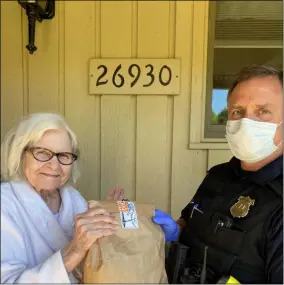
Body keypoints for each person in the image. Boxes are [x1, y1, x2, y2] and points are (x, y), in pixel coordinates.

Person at [153, 64, 283, 284]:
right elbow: (187, 221)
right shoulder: (218, 175)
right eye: (237, 112)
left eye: (263, 111)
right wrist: (175, 233)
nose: (246, 122)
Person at [1, 113, 124, 283]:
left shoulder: (73, 198)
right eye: (42, 153)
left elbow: (89, 265)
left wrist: (110, 216)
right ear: (22, 156)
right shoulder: (5, 204)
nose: (54, 165)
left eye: (64, 156)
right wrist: (75, 249)